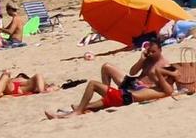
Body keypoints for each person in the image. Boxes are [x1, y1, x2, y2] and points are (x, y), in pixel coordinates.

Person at [46, 41, 178, 118]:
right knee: (106, 68)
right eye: (149, 51)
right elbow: (133, 72)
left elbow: (162, 80)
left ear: (160, 50)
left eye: (153, 52)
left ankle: (78, 110)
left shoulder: (165, 79)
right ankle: (77, 110)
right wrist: (142, 59)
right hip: (127, 93)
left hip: (131, 94)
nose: (150, 54)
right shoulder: (161, 81)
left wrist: (165, 74)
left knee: (92, 84)